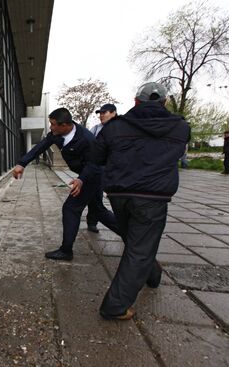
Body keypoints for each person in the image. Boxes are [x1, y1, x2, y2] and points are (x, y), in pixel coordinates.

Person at [90, 82, 190, 320]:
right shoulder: (180, 127)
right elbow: (178, 153)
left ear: (136, 102)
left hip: (119, 194)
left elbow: (96, 157)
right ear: (164, 103)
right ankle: (115, 306)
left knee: (136, 243)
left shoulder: (115, 127)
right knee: (140, 247)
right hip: (153, 196)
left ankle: (152, 275)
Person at [13, 108, 120, 261]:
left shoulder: (87, 139)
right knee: (99, 211)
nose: (51, 128)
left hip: (93, 175)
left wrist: (81, 180)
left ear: (65, 125)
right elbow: (41, 146)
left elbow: (94, 164)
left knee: (71, 208)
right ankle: (133, 237)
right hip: (86, 175)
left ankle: (66, 250)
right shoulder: (57, 134)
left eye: (53, 124)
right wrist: (22, 164)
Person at [86, 103, 117, 233]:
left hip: (116, 169)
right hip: (99, 168)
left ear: (114, 113)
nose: (101, 115)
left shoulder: (120, 127)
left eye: (105, 112)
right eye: (100, 113)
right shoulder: (96, 129)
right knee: (95, 196)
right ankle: (92, 221)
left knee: (117, 198)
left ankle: (122, 223)